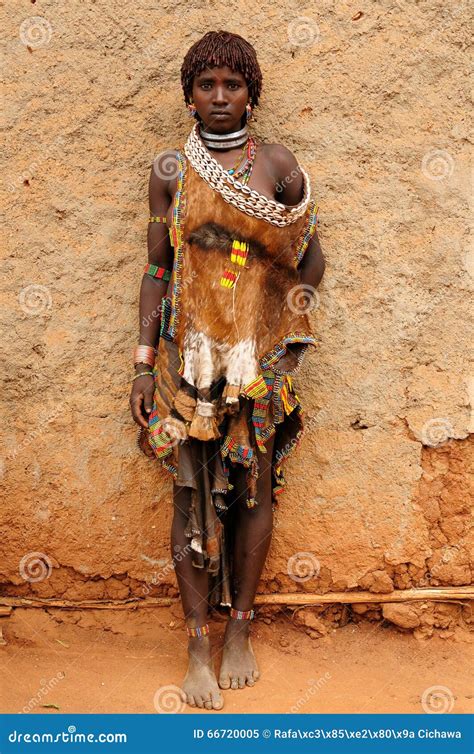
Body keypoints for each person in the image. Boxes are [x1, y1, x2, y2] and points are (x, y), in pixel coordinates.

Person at [130, 30, 325, 711]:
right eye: (207, 84)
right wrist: (142, 363)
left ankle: (239, 631)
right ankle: (195, 645)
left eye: (232, 85)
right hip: (189, 360)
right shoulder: (170, 170)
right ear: (189, 93)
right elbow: (158, 270)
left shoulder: (275, 165)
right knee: (188, 497)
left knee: (254, 493)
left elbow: (309, 265)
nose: (219, 96)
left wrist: (296, 214)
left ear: (252, 94)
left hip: (255, 364)